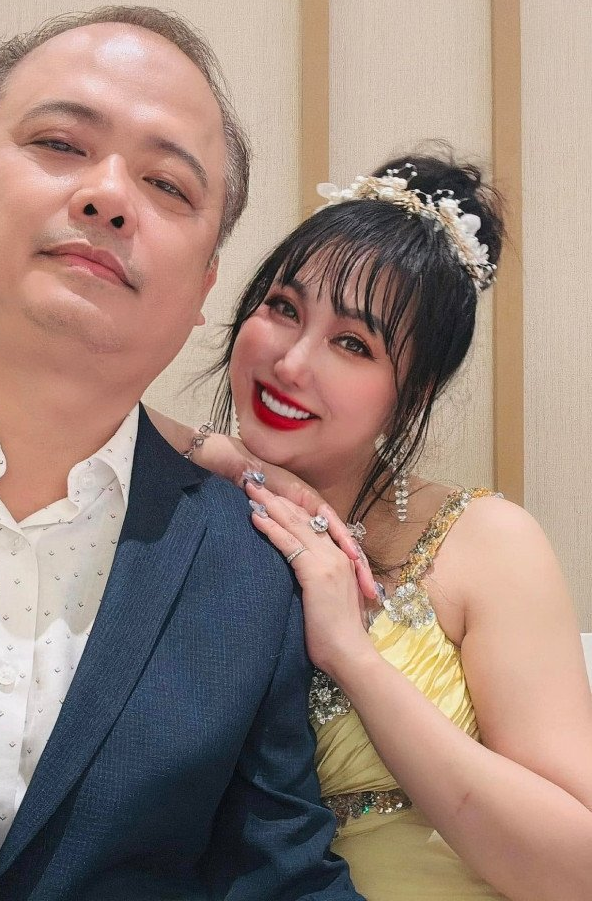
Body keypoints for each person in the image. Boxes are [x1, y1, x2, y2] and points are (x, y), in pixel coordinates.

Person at [0, 6, 367, 901]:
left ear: (203, 290)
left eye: (167, 184)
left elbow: (279, 878)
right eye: (60, 143)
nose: (108, 196)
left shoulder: (250, 574)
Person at [152, 150, 592, 901]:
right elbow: (44, 402)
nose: (292, 363)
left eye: (352, 344)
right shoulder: (179, 502)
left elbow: (576, 871)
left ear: (413, 391)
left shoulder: (483, 542)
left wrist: (351, 656)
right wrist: (218, 453)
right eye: (282, 308)